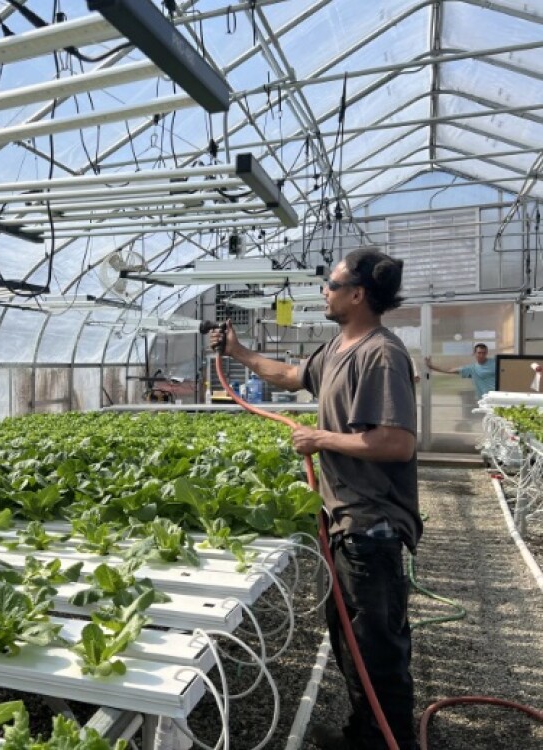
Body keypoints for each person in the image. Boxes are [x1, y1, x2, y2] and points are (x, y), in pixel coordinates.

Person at [210, 249, 420, 750]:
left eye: (331, 282)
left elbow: (398, 443)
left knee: (376, 653)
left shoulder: (381, 354)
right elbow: (288, 375)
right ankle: (362, 735)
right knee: (350, 644)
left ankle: (390, 741)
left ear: (358, 293)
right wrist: (237, 353)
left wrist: (320, 439)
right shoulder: (338, 349)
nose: (324, 290)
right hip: (347, 524)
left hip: (374, 529)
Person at [424, 344, 496, 400]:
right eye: (479, 353)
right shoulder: (472, 368)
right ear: (474, 353)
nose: (481, 355)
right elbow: (450, 370)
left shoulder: (495, 363)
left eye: (484, 353)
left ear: (487, 353)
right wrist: (432, 366)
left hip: (499, 397)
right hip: (485, 400)